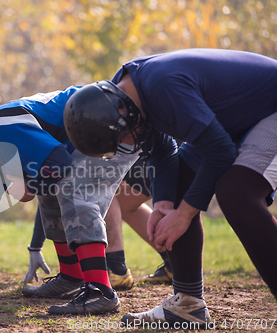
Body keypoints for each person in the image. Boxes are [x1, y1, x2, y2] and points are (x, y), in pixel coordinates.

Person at [63, 48, 277, 327]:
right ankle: (188, 305)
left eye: (122, 135)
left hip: (268, 108)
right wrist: (164, 204)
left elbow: (220, 152)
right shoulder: (127, 92)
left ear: (119, 110)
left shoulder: (162, 85)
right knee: (177, 188)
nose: (128, 141)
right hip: (239, 119)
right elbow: (163, 152)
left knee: (236, 192)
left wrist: (185, 214)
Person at [0, 87, 143, 315]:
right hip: (96, 129)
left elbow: (59, 163)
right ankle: (72, 277)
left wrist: (28, 186)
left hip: (115, 126)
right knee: (51, 189)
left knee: (72, 188)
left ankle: (100, 291)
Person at [22, 164, 173, 288]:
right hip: (165, 150)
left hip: (152, 153)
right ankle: (173, 263)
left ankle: (116, 269)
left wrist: (35, 246)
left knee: (100, 189)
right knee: (125, 204)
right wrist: (35, 247)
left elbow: (50, 192)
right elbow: (49, 194)